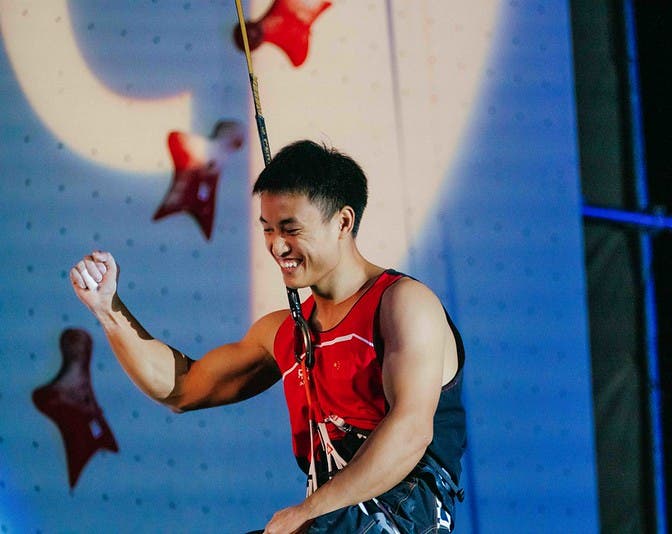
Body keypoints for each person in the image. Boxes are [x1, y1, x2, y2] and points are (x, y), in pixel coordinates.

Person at [70, 140, 466, 533]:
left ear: (343, 222)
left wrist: (308, 510)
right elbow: (182, 389)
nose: (277, 245)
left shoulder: (404, 305)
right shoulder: (283, 333)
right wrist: (108, 309)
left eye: (291, 229)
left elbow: (412, 431)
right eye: (268, 229)